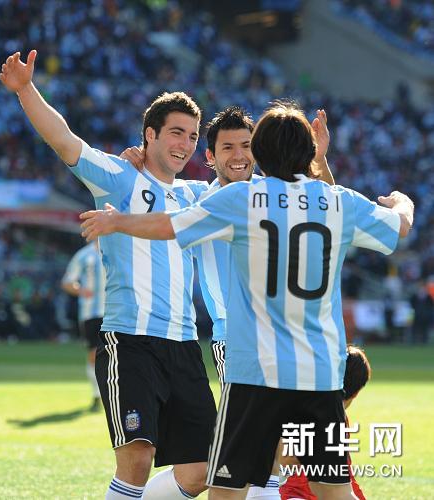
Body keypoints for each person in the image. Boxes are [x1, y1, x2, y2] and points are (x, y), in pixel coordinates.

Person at [80, 100, 414, 500]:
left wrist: (117, 220)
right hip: (319, 371)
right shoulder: (338, 201)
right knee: (330, 489)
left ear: (259, 152)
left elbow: (169, 224)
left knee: (229, 487)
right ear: (309, 152)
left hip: (254, 367)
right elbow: (400, 226)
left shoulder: (241, 199)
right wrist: (401, 201)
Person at [0, 49, 217, 500]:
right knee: (137, 458)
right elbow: (65, 141)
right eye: (176, 132)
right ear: (150, 135)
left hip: (184, 344)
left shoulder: (198, 195)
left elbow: (247, 179)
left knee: (201, 470)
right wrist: (26, 89)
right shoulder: (119, 177)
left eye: (193, 136)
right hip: (130, 340)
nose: (185, 144)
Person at [121, 105, 332, 499]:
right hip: (236, 338)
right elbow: (156, 190)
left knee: (262, 453)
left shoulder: (275, 193)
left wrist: (317, 161)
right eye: (228, 147)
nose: (239, 155)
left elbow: (325, 204)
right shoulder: (200, 198)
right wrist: (138, 161)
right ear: (210, 156)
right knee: (263, 449)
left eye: (246, 146)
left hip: (285, 337)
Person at [279, 345, 371, 500]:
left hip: (296, 494)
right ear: (356, 393)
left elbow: (286, 459)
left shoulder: (305, 408)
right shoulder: (336, 417)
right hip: (306, 493)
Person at [61, 241, 105, 411]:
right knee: (94, 353)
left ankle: (117, 395)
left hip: (116, 311)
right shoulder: (83, 255)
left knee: (120, 354)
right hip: (91, 312)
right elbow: (67, 282)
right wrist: (81, 290)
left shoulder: (119, 248)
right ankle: (97, 395)